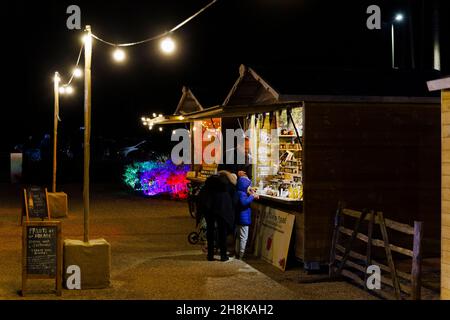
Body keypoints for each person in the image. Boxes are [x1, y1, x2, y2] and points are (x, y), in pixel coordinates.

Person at [198, 170, 237, 262]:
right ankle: (223, 255)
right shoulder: (227, 185)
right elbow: (233, 197)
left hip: (209, 208)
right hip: (222, 210)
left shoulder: (209, 184)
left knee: (210, 231)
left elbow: (202, 196)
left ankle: (210, 255)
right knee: (222, 232)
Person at [234, 175, 258, 259]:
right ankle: (241, 254)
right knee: (243, 237)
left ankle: (237, 252)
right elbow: (244, 203)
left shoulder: (239, 192)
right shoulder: (242, 194)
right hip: (243, 219)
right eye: (249, 186)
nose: (250, 187)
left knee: (238, 236)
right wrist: (252, 196)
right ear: (244, 186)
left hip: (239, 218)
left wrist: (250, 192)